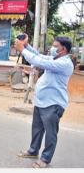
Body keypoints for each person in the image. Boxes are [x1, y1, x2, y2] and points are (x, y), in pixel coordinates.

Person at [15, 35, 74, 168]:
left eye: (55, 46)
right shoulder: (55, 58)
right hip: (41, 101)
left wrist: (22, 50)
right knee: (37, 128)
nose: (52, 48)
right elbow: (38, 56)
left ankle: (45, 159)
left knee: (50, 133)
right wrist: (26, 45)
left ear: (63, 49)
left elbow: (39, 62)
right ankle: (33, 151)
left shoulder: (64, 63)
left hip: (53, 104)